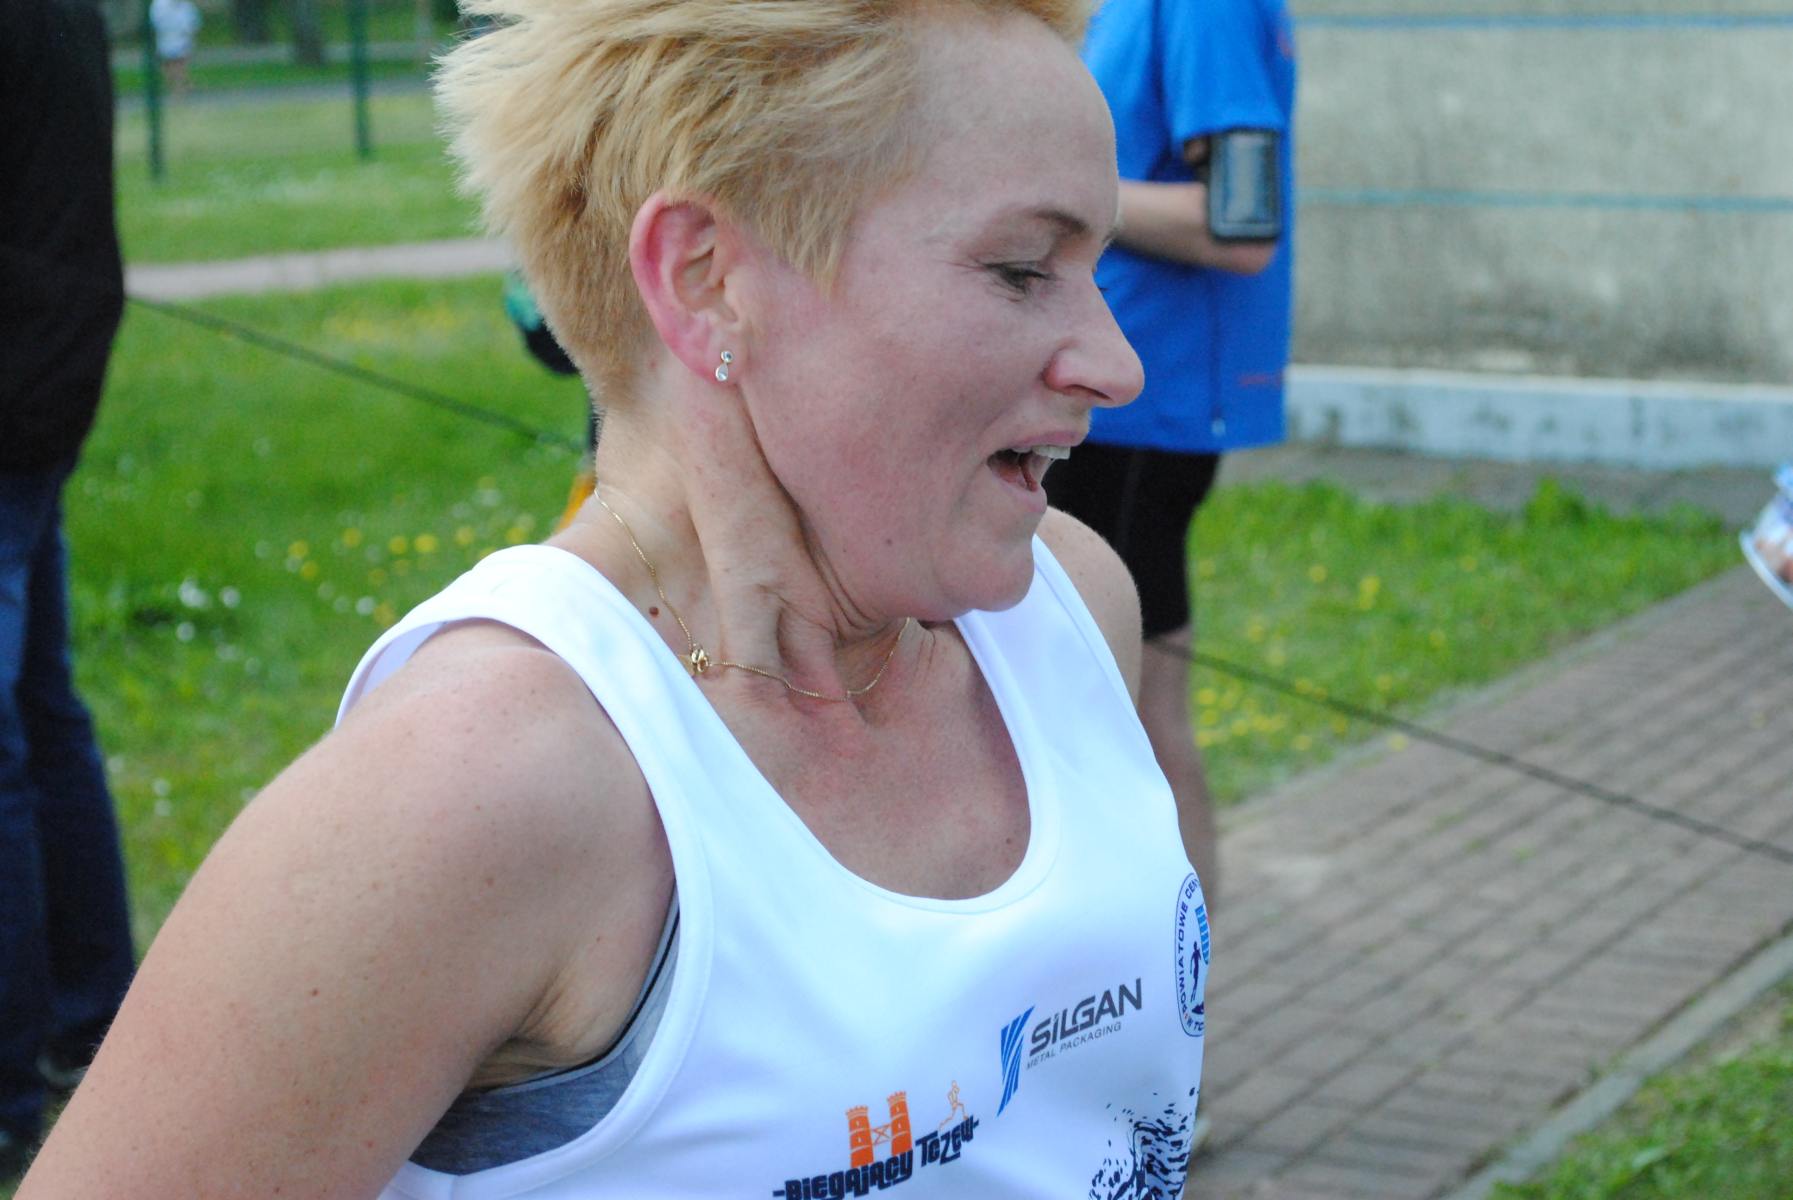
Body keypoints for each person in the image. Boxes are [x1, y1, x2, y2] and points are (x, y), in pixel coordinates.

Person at [21, 1, 1215, 1196]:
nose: (1114, 364)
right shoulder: (478, 782)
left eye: (1093, 269)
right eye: (1021, 270)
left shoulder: (1070, 607)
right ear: (705, 281)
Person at [1050, 0, 1299, 904]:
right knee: (1112, 711)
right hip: (1098, 399)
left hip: (1143, 406)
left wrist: (1046, 190)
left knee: (1129, 716)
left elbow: (1241, 224)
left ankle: (1172, 968)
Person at [0, 0, 137, 1182]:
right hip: (46, 370)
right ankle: (92, 1026)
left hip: (21, 387)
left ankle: (15, 1083)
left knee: (14, 736)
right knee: (43, 714)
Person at [148, 0, 202, 94]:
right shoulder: (159, 4)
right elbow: (156, 20)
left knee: (180, 62)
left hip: (182, 38)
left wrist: (189, 33)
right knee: (168, 64)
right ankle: (180, 85)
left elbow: (193, 21)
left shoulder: (186, 5)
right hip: (166, 38)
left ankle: (180, 86)